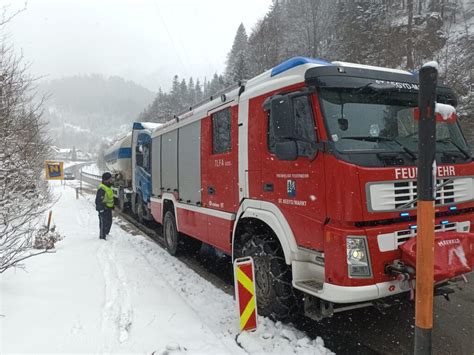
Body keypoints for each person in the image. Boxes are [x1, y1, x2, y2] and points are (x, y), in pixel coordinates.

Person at [95, 172, 114, 240]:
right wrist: (101, 209)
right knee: (103, 223)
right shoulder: (102, 189)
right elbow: (98, 200)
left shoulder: (108, 186)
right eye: (110, 179)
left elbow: (109, 198)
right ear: (106, 180)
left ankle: (106, 234)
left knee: (109, 222)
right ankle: (102, 237)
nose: (111, 180)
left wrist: (112, 206)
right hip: (103, 209)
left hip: (108, 208)